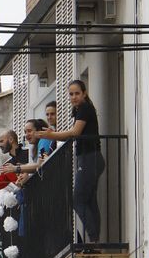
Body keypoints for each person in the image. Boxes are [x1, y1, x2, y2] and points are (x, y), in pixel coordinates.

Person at [38, 80, 102, 243]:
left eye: (77, 93)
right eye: (71, 94)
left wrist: (51, 135)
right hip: (89, 158)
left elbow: (74, 132)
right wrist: (53, 134)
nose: (73, 97)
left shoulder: (85, 109)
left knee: (78, 200)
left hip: (90, 158)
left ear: (84, 93)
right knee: (89, 201)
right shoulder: (80, 109)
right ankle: (95, 240)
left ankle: (94, 240)